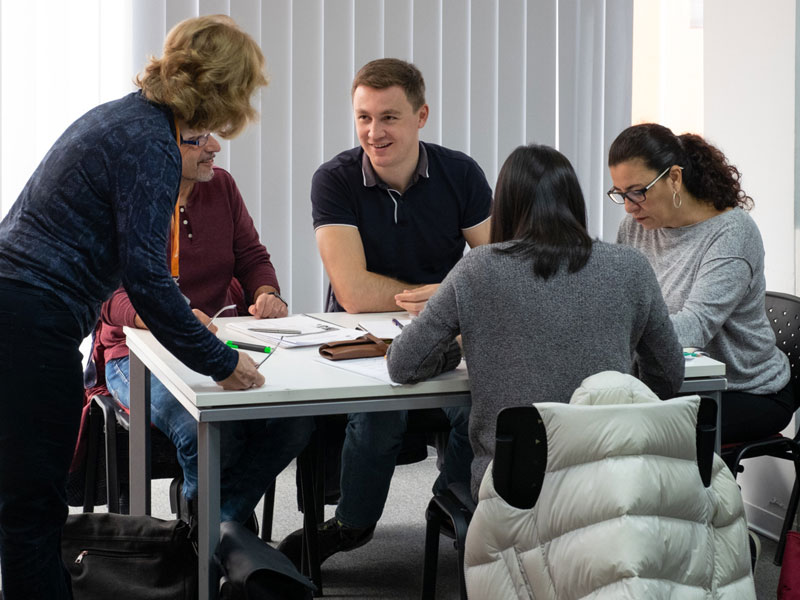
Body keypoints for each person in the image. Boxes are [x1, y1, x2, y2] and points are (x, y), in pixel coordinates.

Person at [0, 15, 268, 599]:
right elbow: (147, 279)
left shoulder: (130, 119)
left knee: (23, 502)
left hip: (20, 307)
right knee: (33, 510)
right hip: (29, 318)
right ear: (221, 87)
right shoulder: (151, 145)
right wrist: (221, 361)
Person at [277, 58, 492, 565]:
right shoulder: (334, 179)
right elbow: (353, 292)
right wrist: (447, 294)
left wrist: (446, 303)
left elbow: (496, 268)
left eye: (389, 117)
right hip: (363, 342)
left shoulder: (460, 173)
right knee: (381, 410)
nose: (374, 132)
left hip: (446, 337)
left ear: (421, 116)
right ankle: (352, 525)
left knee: (481, 404)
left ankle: (449, 504)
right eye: (364, 118)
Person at [386, 144, 685, 498]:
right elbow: (669, 374)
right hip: (610, 484)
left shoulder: (477, 269)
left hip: (512, 492)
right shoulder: (631, 267)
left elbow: (403, 363)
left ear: (504, 206)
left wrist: (456, 348)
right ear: (575, 202)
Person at [100, 136, 313, 525]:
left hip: (217, 341)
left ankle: (212, 525)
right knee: (209, 429)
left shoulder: (222, 185)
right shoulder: (127, 195)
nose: (215, 145)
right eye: (197, 139)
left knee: (295, 419)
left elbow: (252, 257)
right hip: (133, 356)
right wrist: (169, 318)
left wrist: (267, 293)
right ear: (161, 142)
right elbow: (109, 296)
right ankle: (220, 532)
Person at [608, 123, 793, 447]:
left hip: (745, 390)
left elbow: (693, 328)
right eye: (620, 194)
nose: (628, 206)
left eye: (638, 191)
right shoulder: (634, 228)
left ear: (674, 178)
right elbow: (617, 306)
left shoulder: (732, 234)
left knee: (633, 434)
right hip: (669, 383)